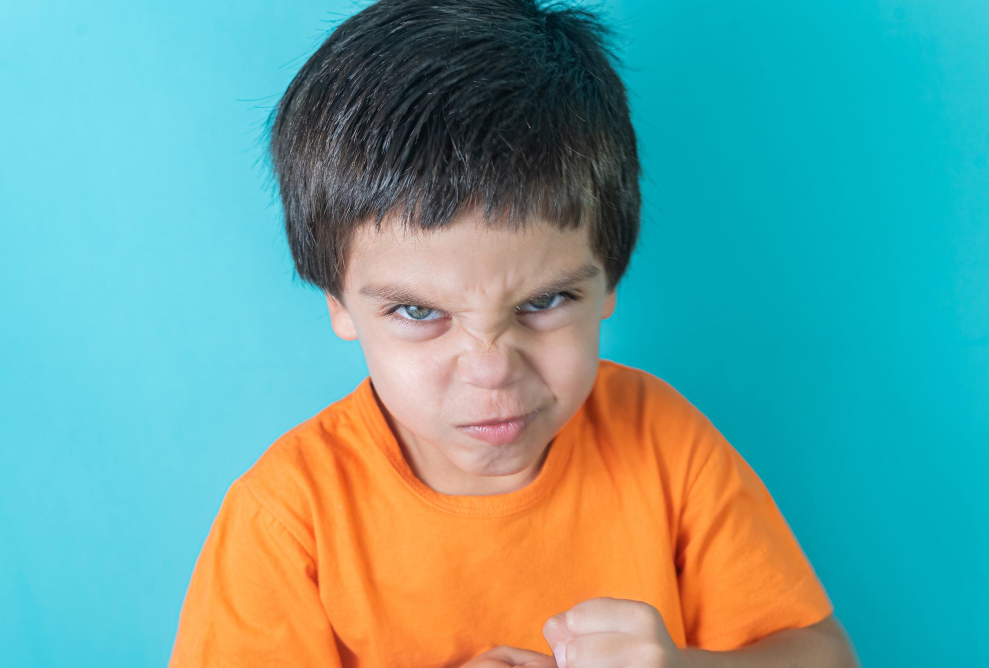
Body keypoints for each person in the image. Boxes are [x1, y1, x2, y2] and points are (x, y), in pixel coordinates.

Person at [168, 1, 858, 666]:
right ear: (339, 303)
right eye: (418, 312)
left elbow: (824, 655)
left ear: (608, 281)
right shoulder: (292, 520)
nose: (491, 369)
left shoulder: (663, 444)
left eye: (545, 301)